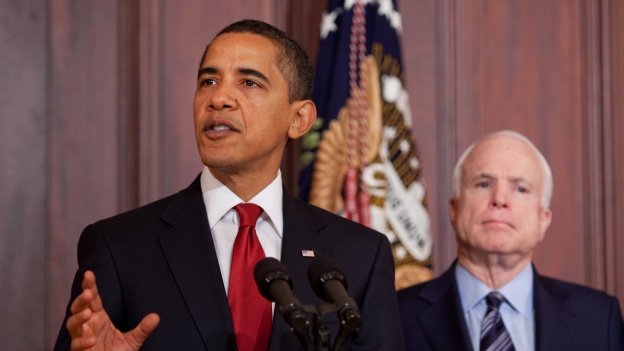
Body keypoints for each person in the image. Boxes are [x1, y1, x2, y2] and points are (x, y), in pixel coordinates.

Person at [54, 19, 403, 351]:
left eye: (249, 82)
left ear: (298, 119)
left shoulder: (360, 255)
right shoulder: (120, 247)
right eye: (208, 81)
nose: (218, 98)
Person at [398, 130, 624, 351]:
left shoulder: (599, 318)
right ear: (454, 210)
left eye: (521, 188)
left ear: (543, 220)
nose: (500, 199)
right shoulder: (396, 314)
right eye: (484, 184)